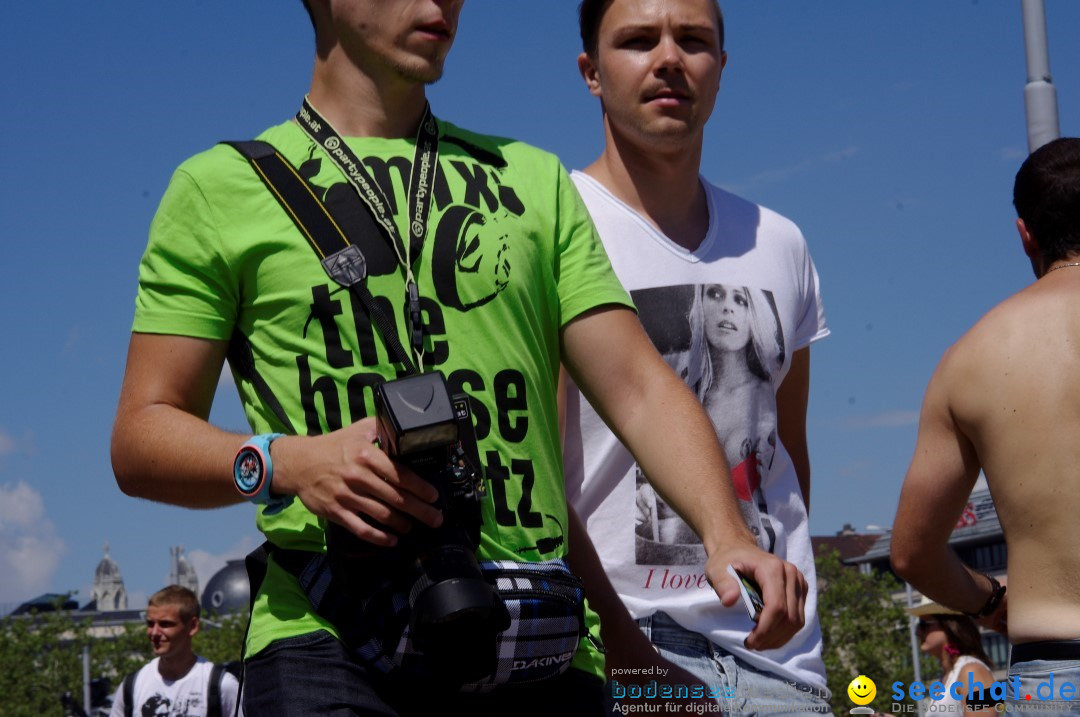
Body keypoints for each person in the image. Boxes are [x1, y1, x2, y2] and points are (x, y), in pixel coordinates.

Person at [110, 0, 806, 714]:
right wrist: (285, 462)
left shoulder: (533, 181)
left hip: (534, 631)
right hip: (327, 640)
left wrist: (724, 532)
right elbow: (141, 436)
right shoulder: (217, 189)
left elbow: (637, 386)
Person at [561, 0, 831, 712]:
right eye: (639, 40)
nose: (670, 59)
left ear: (721, 68)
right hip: (626, 644)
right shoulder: (554, 226)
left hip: (782, 655)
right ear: (591, 71)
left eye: (694, 40)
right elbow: (532, 472)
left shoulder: (781, 242)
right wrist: (622, 650)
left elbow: (786, 453)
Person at [891, 137, 1080, 715]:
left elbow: (913, 553)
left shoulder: (970, 359)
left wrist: (988, 599)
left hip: (1055, 674)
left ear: (1025, 233)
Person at [108, 586, 238, 717]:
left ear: (192, 626)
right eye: (150, 624)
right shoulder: (132, 686)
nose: (154, 633)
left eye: (165, 624)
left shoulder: (221, 685)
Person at [908, 600, 996, 716]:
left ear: (948, 625)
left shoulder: (973, 672)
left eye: (924, 625)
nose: (918, 632)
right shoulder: (949, 676)